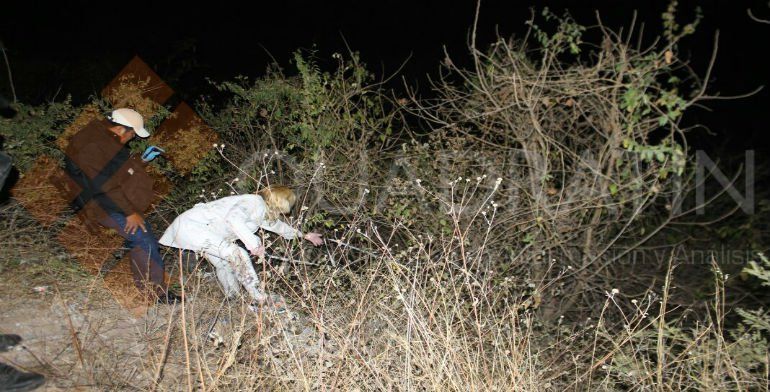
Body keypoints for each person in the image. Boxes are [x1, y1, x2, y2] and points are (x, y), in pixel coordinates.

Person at [63, 108, 179, 304]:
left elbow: (115, 172)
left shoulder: (104, 141)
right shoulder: (92, 144)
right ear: (118, 128)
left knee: (144, 239)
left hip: (110, 202)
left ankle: (154, 289)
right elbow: (102, 183)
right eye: (132, 133)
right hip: (101, 204)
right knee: (143, 239)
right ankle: (155, 293)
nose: (132, 137)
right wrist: (129, 212)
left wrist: (140, 161)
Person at [159, 185, 323, 311]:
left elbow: (278, 226)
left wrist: (304, 235)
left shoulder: (261, 210)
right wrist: (253, 245)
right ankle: (259, 299)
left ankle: (232, 297)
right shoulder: (254, 202)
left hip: (197, 228)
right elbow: (234, 219)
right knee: (237, 253)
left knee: (223, 263)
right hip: (193, 226)